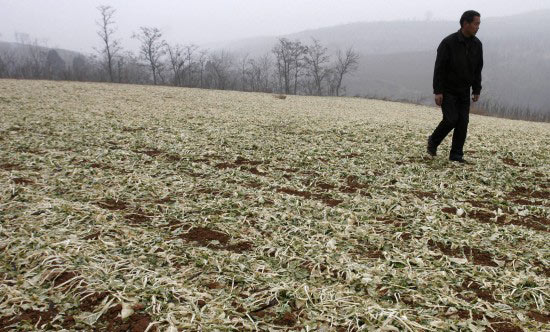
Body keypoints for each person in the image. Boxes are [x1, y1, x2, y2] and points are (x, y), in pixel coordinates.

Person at [427, 10, 483, 163]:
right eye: (476, 24)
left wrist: (476, 89)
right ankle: (433, 141)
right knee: (451, 119)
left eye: (479, 24)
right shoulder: (448, 43)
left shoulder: (477, 45)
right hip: (448, 90)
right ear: (465, 24)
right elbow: (439, 68)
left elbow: (478, 68)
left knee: (463, 123)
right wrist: (438, 91)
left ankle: (456, 155)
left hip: (464, 91)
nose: (478, 27)